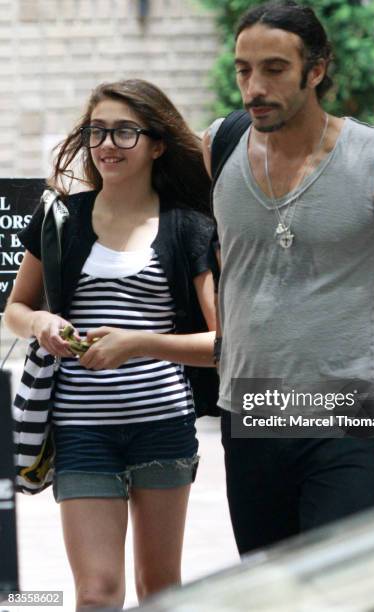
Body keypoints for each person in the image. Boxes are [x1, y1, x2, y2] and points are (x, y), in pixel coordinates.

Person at [202, 1, 374, 555]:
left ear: (316, 70)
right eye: (243, 70)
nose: (254, 87)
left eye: (274, 69)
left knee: (335, 589)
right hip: (252, 409)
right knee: (270, 590)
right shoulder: (217, 148)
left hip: (348, 411)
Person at [5, 79, 216, 609]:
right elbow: (15, 309)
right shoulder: (59, 221)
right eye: (98, 131)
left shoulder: (188, 227)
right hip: (81, 432)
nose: (107, 145)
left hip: (163, 428)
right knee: (97, 593)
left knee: (160, 587)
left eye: (124, 131)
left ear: (157, 143)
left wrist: (138, 343)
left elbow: (224, 343)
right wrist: (43, 325)